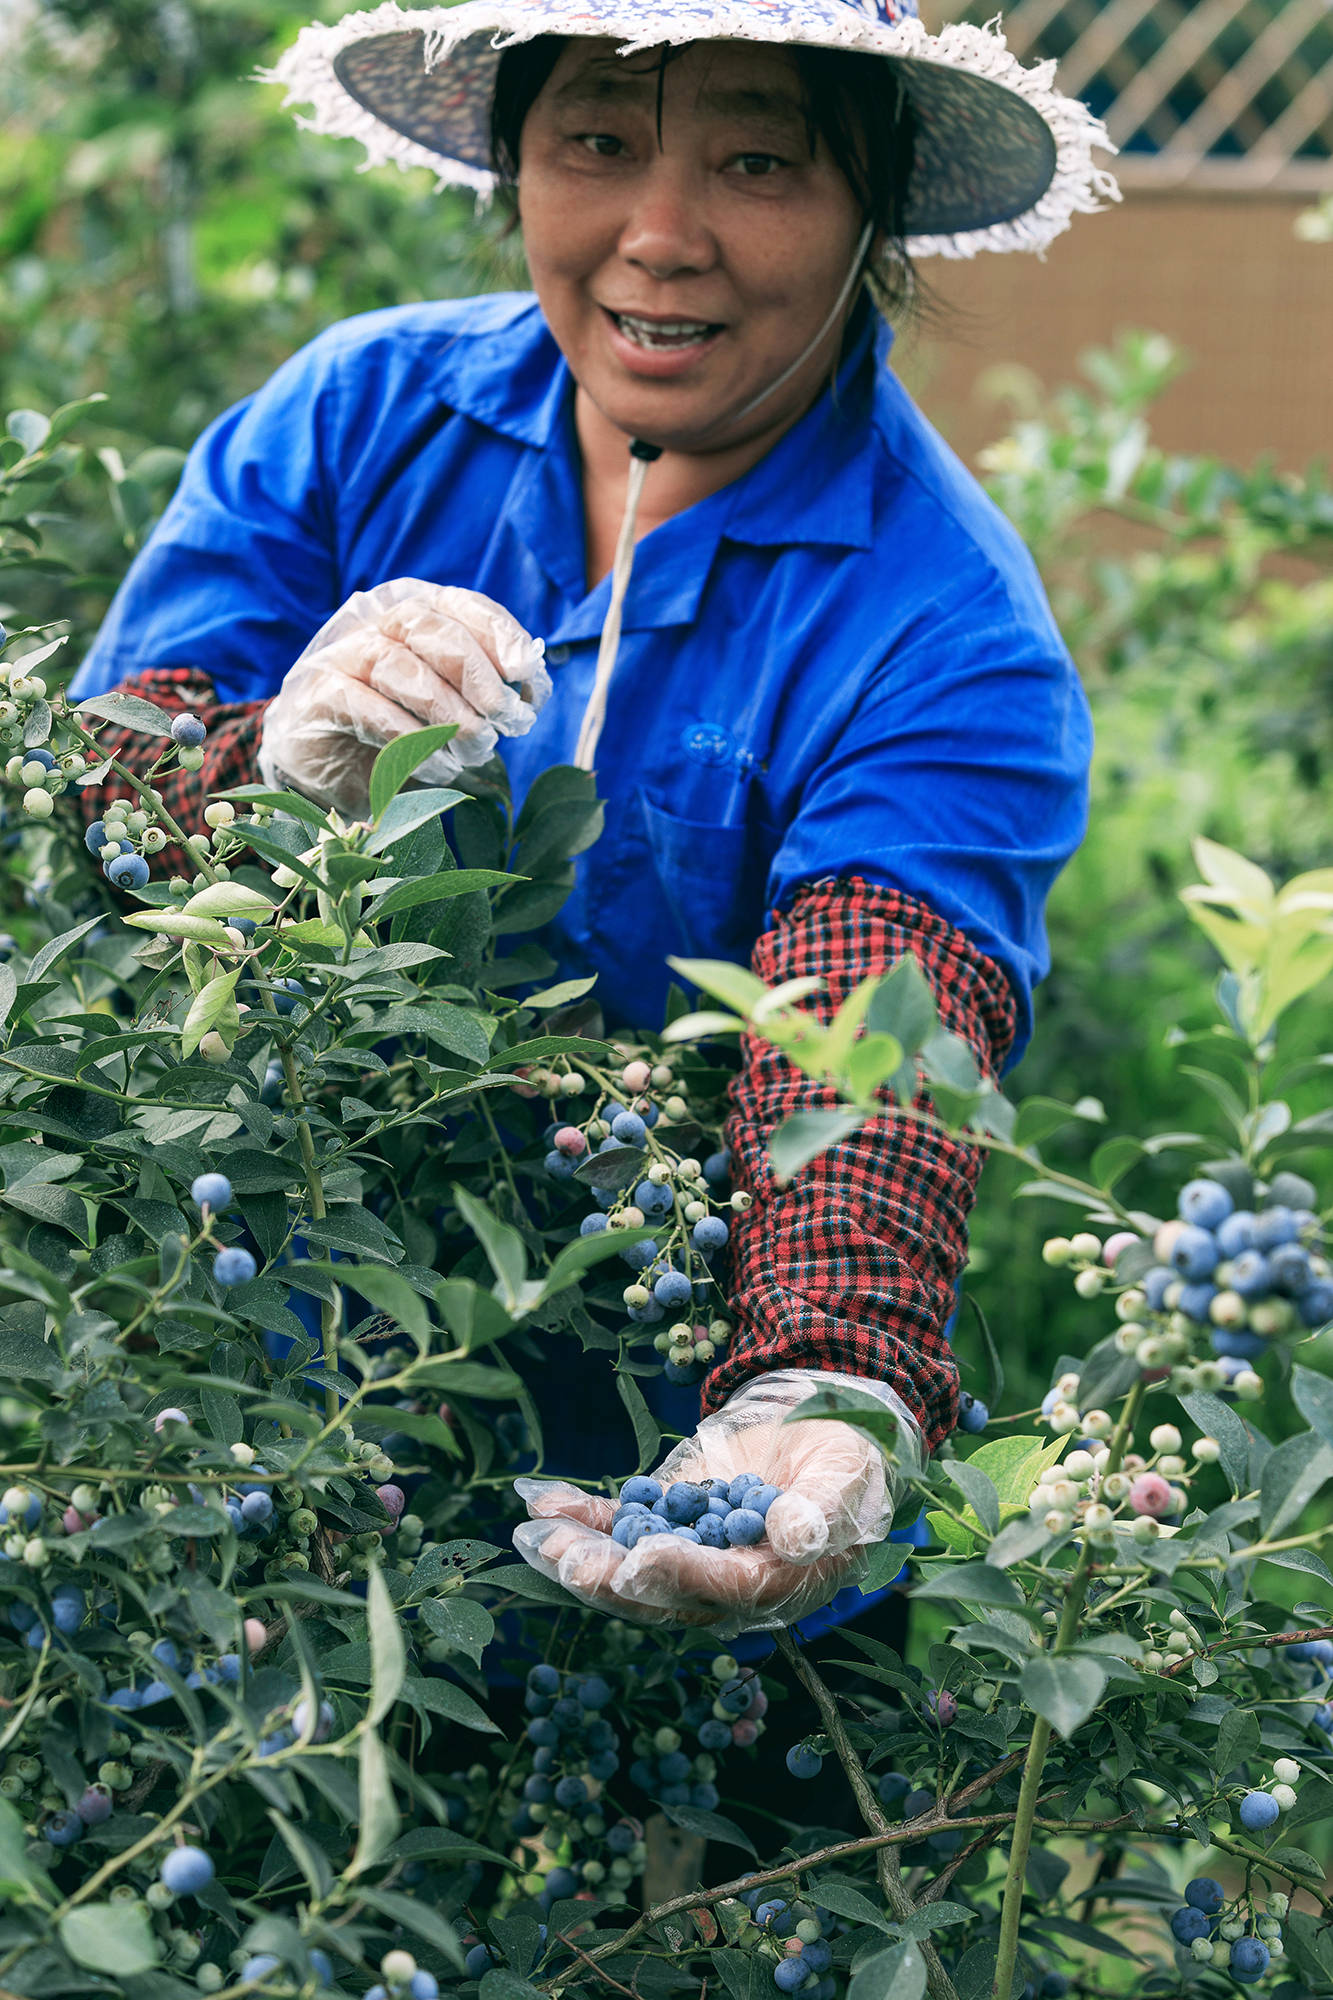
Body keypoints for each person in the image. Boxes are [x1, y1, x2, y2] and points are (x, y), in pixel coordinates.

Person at [68, 0, 1116, 1639]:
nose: (656, 237)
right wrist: (266, 769)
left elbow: (872, 1018)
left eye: (757, 157)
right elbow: (103, 787)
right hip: (261, 1391)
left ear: (873, 206)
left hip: (665, 1422)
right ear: (513, 164)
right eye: (595, 145)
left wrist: (818, 1387)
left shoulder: (943, 634)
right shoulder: (356, 417)